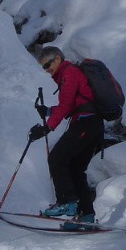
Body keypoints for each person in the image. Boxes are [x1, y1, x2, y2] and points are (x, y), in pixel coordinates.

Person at [28, 45, 104, 226]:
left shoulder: (69, 73)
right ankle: (86, 215)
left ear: (57, 59)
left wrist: (47, 128)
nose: (47, 70)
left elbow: (65, 106)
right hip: (92, 125)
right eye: (43, 67)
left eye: (47, 64)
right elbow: (70, 106)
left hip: (85, 124)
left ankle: (66, 202)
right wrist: (48, 111)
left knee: (56, 158)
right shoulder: (68, 74)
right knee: (75, 169)